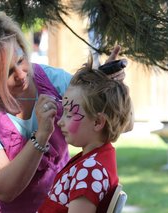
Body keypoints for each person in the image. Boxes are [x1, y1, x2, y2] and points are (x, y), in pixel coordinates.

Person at [0, 8, 126, 213]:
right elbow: (3, 189)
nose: (21, 75)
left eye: (21, 60)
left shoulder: (52, 80)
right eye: (6, 72)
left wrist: (107, 92)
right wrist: (41, 136)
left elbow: (120, 123)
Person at [37, 56, 134, 213]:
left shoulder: (90, 171)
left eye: (69, 114)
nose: (60, 121)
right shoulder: (92, 160)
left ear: (97, 122)